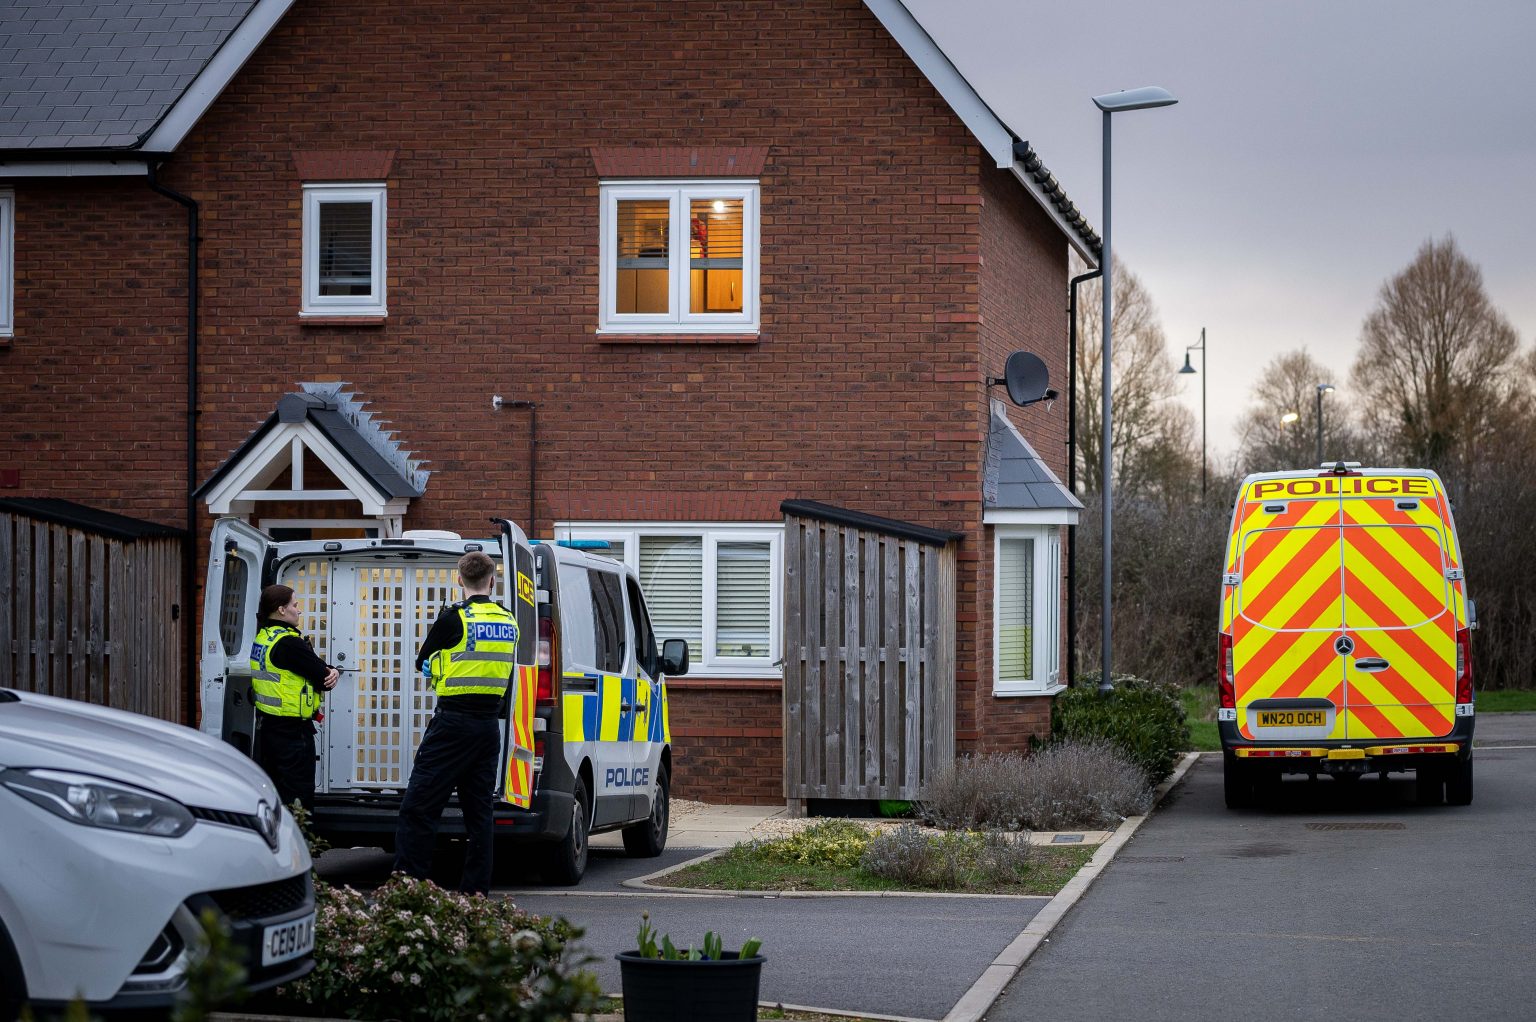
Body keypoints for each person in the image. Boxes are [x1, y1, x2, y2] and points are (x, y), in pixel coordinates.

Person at [392, 551, 514, 895]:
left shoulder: (453, 618)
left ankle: (407, 888)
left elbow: (422, 661)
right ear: (492, 580)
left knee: (418, 807)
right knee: (480, 815)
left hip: (452, 724)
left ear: (460, 580)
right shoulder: (509, 621)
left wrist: (437, 666)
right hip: (488, 727)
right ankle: (476, 893)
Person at [250, 584, 338, 814]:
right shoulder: (289, 643)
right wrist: (332, 671)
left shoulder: (264, 637)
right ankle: (300, 846)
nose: (299, 611)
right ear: (281, 609)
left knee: (275, 795)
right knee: (298, 799)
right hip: (292, 735)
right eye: (295, 605)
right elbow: (322, 678)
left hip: (268, 729)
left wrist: (326, 669)